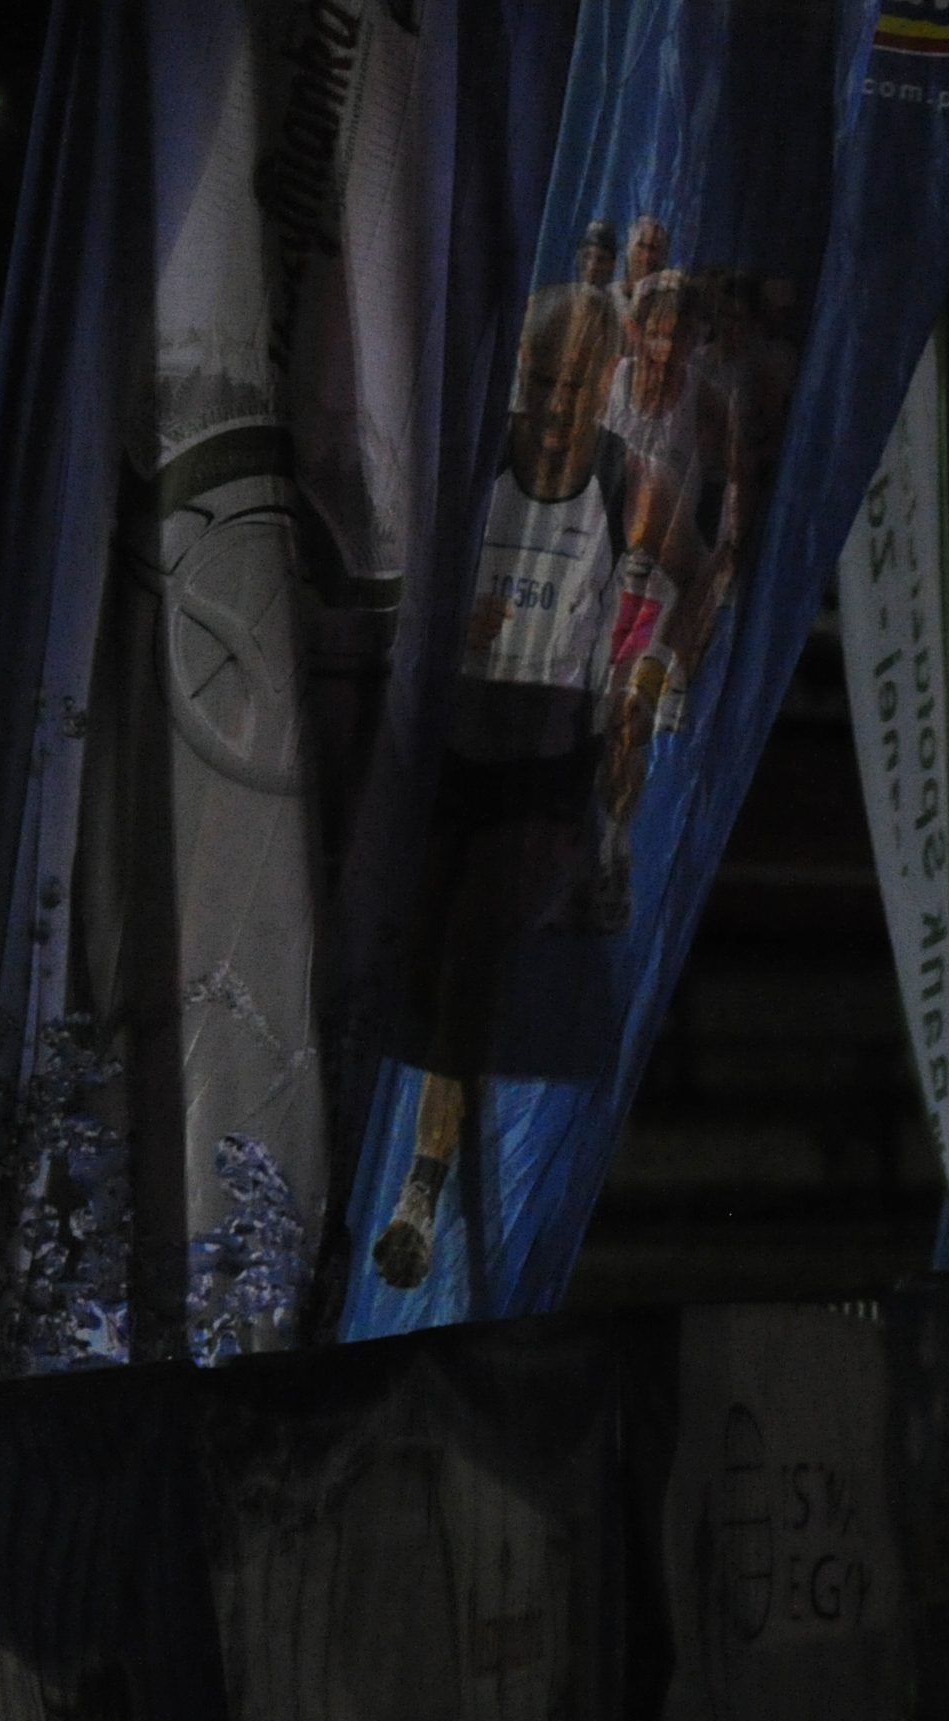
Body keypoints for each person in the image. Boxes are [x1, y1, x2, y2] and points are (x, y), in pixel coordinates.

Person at [370, 280, 639, 1291]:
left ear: (606, 386)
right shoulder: (472, 462)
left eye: (580, 385)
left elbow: (689, 576)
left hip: (544, 767)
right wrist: (448, 629)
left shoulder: (624, 477)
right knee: (416, 965)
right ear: (522, 371)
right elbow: (398, 589)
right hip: (454, 752)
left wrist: (640, 681)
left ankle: (419, 1193)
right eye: (545, 381)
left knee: (472, 951)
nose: (559, 405)